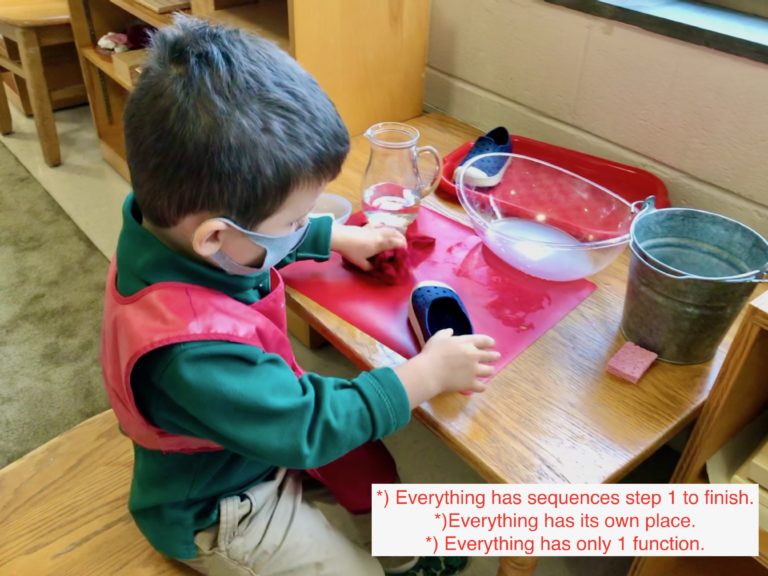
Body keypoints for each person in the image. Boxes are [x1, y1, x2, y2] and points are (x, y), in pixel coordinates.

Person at [101, 15, 499, 576]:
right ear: (214, 235)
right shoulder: (189, 351)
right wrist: (426, 375)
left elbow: (247, 244)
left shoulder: (163, 228)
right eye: (294, 219)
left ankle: (405, 551)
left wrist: (333, 236)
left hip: (255, 430)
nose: (300, 226)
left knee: (367, 459)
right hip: (222, 507)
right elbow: (305, 428)